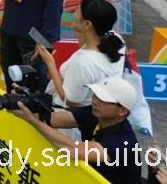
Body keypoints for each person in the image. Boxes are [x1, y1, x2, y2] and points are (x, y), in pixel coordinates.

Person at [12, 77, 142, 184]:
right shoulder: (94, 113)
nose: (95, 102)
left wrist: (32, 120)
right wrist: (25, 103)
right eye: (95, 95)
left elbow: (73, 150)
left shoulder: (123, 143)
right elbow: (51, 119)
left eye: (104, 100)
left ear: (122, 111)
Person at [37, 0, 125, 108]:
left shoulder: (82, 63)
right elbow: (86, 42)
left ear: (87, 24)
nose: (74, 12)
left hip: (66, 116)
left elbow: (70, 101)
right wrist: (80, 31)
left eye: (78, 11)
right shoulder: (116, 40)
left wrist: (50, 64)